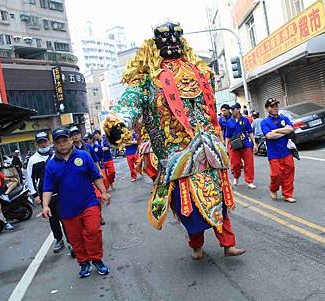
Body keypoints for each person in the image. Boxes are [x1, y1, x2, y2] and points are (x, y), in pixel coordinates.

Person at [107, 21, 245, 260]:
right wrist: (117, 122)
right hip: (179, 155)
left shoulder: (199, 71)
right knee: (188, 207)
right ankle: (196, 245)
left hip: (209, 150)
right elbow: (128, 103)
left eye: (176, 37)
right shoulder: (148, 78)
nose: (171, 42)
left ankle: (228, 244)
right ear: (155, 44)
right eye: (164, 38)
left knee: (219, 201)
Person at [42, 127, 111, 278]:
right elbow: (47, 187)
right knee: (75, 238)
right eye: (58, 142)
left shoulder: (84, 156)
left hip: (89, 202)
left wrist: (104, 192)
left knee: (93, 230)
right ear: (54, 144)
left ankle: (97, 259)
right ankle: (84, 263)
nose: (62, 144)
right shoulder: (51, 165)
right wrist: (45, 205)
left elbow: (95, 176)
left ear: (70, 140)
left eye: (65, 140)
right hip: (67, 209)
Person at [26, 131, 73, 254]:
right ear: (37, 144)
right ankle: (59, 240)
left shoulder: (56, 156)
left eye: (44, 141)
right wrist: (35, 195)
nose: (43, 144)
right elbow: (29, 178)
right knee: (52, 220)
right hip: (45, 196)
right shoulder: (32, 160)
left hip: (61, 193)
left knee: (66, 218)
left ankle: (71, 241)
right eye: (40, 142)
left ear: (49, 142)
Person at [261, 98, 296, 203]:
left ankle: (287, 194)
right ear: (267, 109)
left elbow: (290, 129)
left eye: (276, 105)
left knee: (289, 172)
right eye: (272, 106)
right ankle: (273, 189)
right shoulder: (264, 122)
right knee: (276, 175)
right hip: (274, 153)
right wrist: (284, 131)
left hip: (286, 150)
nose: (275, 108)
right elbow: (269, 135)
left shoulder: (284, 118)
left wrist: (276, 130)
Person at [71, 127, 106, 226]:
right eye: (73, 135)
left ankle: (98, 214)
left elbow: (95, 161)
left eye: (77, 134)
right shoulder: (70, 150)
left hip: (92, 176)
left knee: (98, 197)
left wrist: (99, 172)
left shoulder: (88, 147)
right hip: (80, 179)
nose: (76, 136)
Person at [225, 103, 257, 189]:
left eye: (233, 109)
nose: (232, 111)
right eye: (231, 110)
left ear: (238, 109)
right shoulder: (229, 122)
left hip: (246, 144)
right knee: (235, 164)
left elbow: (250, 132)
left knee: (249, 163)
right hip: (234, 145)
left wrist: (254, 143)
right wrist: (226, 147)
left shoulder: (245, 120)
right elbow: (227, 136)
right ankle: (236, 176)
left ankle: (250, 181)